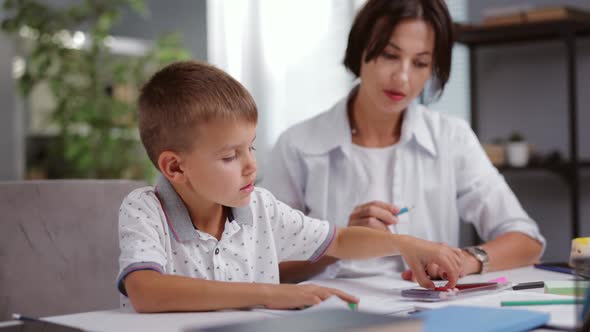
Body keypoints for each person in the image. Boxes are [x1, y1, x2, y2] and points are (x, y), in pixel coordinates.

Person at [116, 61, 463, 313]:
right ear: (175, 167)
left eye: (250, 147)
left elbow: (339, 240)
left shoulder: (260, 207)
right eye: (229, 157)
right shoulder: (145, 209)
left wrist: (404, 244)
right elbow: (147, 291)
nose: (252, 164)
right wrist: (268, 293)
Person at [262, 0, 545, 284]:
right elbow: (263, 263)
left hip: (430, 313)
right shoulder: (297, 146)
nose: (402, 77)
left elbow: (527, 240)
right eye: (389, 55)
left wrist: (465, 261)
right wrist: (339, 243)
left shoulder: (451, 138)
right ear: (360, 48)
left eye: (421, 63)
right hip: (333, 316)